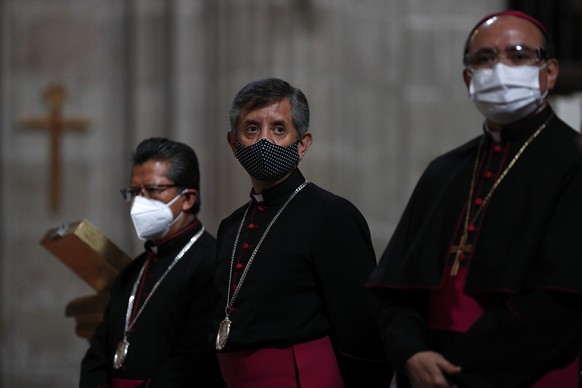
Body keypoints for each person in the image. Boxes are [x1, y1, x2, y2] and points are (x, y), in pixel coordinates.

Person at [367, 10, 582, 388]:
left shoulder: (574, 161)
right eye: (484, 59)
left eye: (517, 55)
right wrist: (411, 354)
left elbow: (561, 303)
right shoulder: (443, 171)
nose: (499, 68)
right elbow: (398, 291)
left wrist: (455, 370)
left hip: (527, 374)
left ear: (548, 73)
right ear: (469, 79)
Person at [212, 77, 392, 387]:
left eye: (279, 129)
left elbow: (361, 326)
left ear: (302, 144)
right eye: (251, 129)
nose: (263, 141)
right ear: (233, 142)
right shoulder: (232, 225)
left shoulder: (331, 215)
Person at [80, 138, 224, 387]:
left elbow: (198, 359)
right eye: (134, 192)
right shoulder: (133, 271)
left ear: (188, 198)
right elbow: (98, 352)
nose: (139, 202)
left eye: (153, 191)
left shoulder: (212, 262)